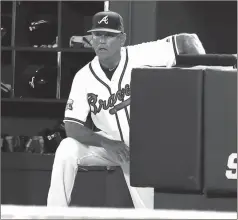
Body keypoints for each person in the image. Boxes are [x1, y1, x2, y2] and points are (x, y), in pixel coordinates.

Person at [47, 10, 206, 209]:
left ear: (122, 38)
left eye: (109, 35)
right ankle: (54, 213)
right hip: (108, 146)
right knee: (66, 149)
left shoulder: (141, 54)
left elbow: (186, 41)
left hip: (144, 149)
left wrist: (210, 77)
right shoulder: (83, 76)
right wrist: (107, 142)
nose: (101, 40)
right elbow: (71, 127)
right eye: (97, 34)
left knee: (148, 211)